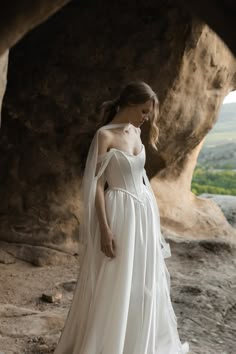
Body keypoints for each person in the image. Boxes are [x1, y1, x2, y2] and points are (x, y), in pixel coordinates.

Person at [54, 81, 189, 354]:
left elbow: (141, 178)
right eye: (143, 110)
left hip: (144, 213)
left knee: (143, 279)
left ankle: (138, 344)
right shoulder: (104, 136)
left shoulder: (137, 133)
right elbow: (97, 187)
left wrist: (152, 216)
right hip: (119, 212)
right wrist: (104, 229)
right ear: (128, 105)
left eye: (148, 112)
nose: (146, 117)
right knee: (117, 277)